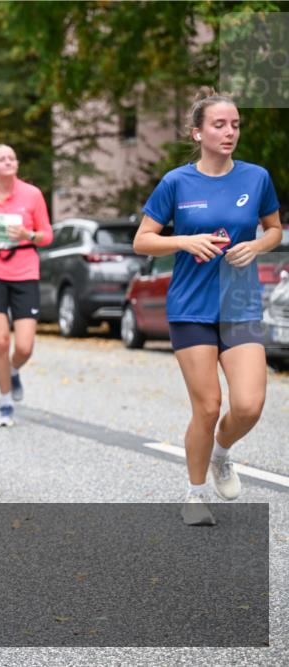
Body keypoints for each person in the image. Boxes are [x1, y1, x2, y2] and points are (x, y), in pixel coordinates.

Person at [133, 90, 281, 527]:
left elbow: (273, 230)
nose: (230, 131)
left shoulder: (256, 178)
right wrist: (183, 240)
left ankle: (222, 453)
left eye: (235, 124)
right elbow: (142, 239)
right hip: (191, 308)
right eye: (219, 125)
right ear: (198, 132)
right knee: (208, 406)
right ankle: (195, 495)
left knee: (250, 405)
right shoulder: (177, 182)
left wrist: (255, 245)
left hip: (239, 305)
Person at [0, 144, 52, 427]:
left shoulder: (32, 195)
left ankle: (14, 370)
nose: (8, 162)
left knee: (25, 345)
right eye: (1, 159)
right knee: (0, 341)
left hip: (25, 271)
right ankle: (5, 403)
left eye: (12, 157)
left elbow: (47, 236)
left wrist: (28, 233)